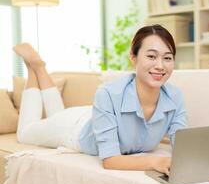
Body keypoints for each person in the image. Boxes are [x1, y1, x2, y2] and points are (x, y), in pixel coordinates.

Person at [14, 24, 187, 175]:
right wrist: (155, 161)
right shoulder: (108, 94)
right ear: (133, 58)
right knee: (24, 134)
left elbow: (183, 143)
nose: (160, 65)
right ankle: (34, 67)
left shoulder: (175, 97)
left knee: (56, 113)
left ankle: (40, 69)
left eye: (167, 58)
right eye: (151, 56)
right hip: (72, 128)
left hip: (94, 116)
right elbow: (110, 161)